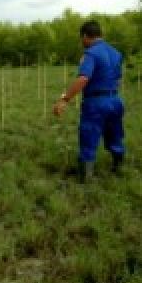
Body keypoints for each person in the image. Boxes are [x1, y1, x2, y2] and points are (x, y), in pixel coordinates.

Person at [52, 20, 127, 183]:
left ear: (86, 36)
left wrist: (65, 99)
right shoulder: (116, 53)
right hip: (115, 100)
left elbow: (83, 78)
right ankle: (118, 167)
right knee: (115, 134)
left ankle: (86, 176)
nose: (82, 43)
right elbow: (119, 79)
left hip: (96, 102)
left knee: (89, 135)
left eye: (82, 39)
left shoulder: (91, 54)